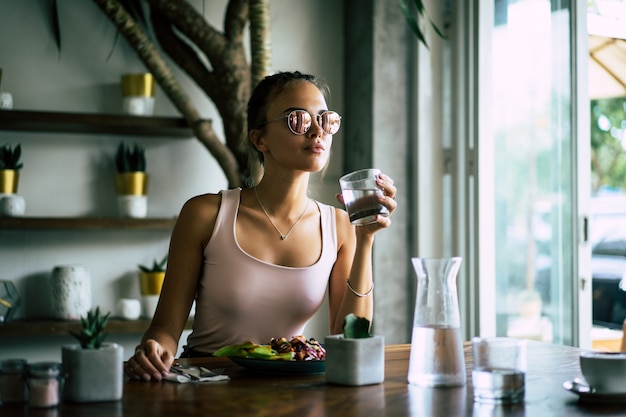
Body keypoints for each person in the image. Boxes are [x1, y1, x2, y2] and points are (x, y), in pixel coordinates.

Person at [125, 71, 397, 381]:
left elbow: (350, 341)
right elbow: (165, 328)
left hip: (294, 389)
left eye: (325, 120)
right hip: (207, 382)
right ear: (259, 139)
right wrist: (154, 348)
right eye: (298, 119)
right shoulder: (205, 214)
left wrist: (364, 241)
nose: (317, 132)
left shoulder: (339, 224)